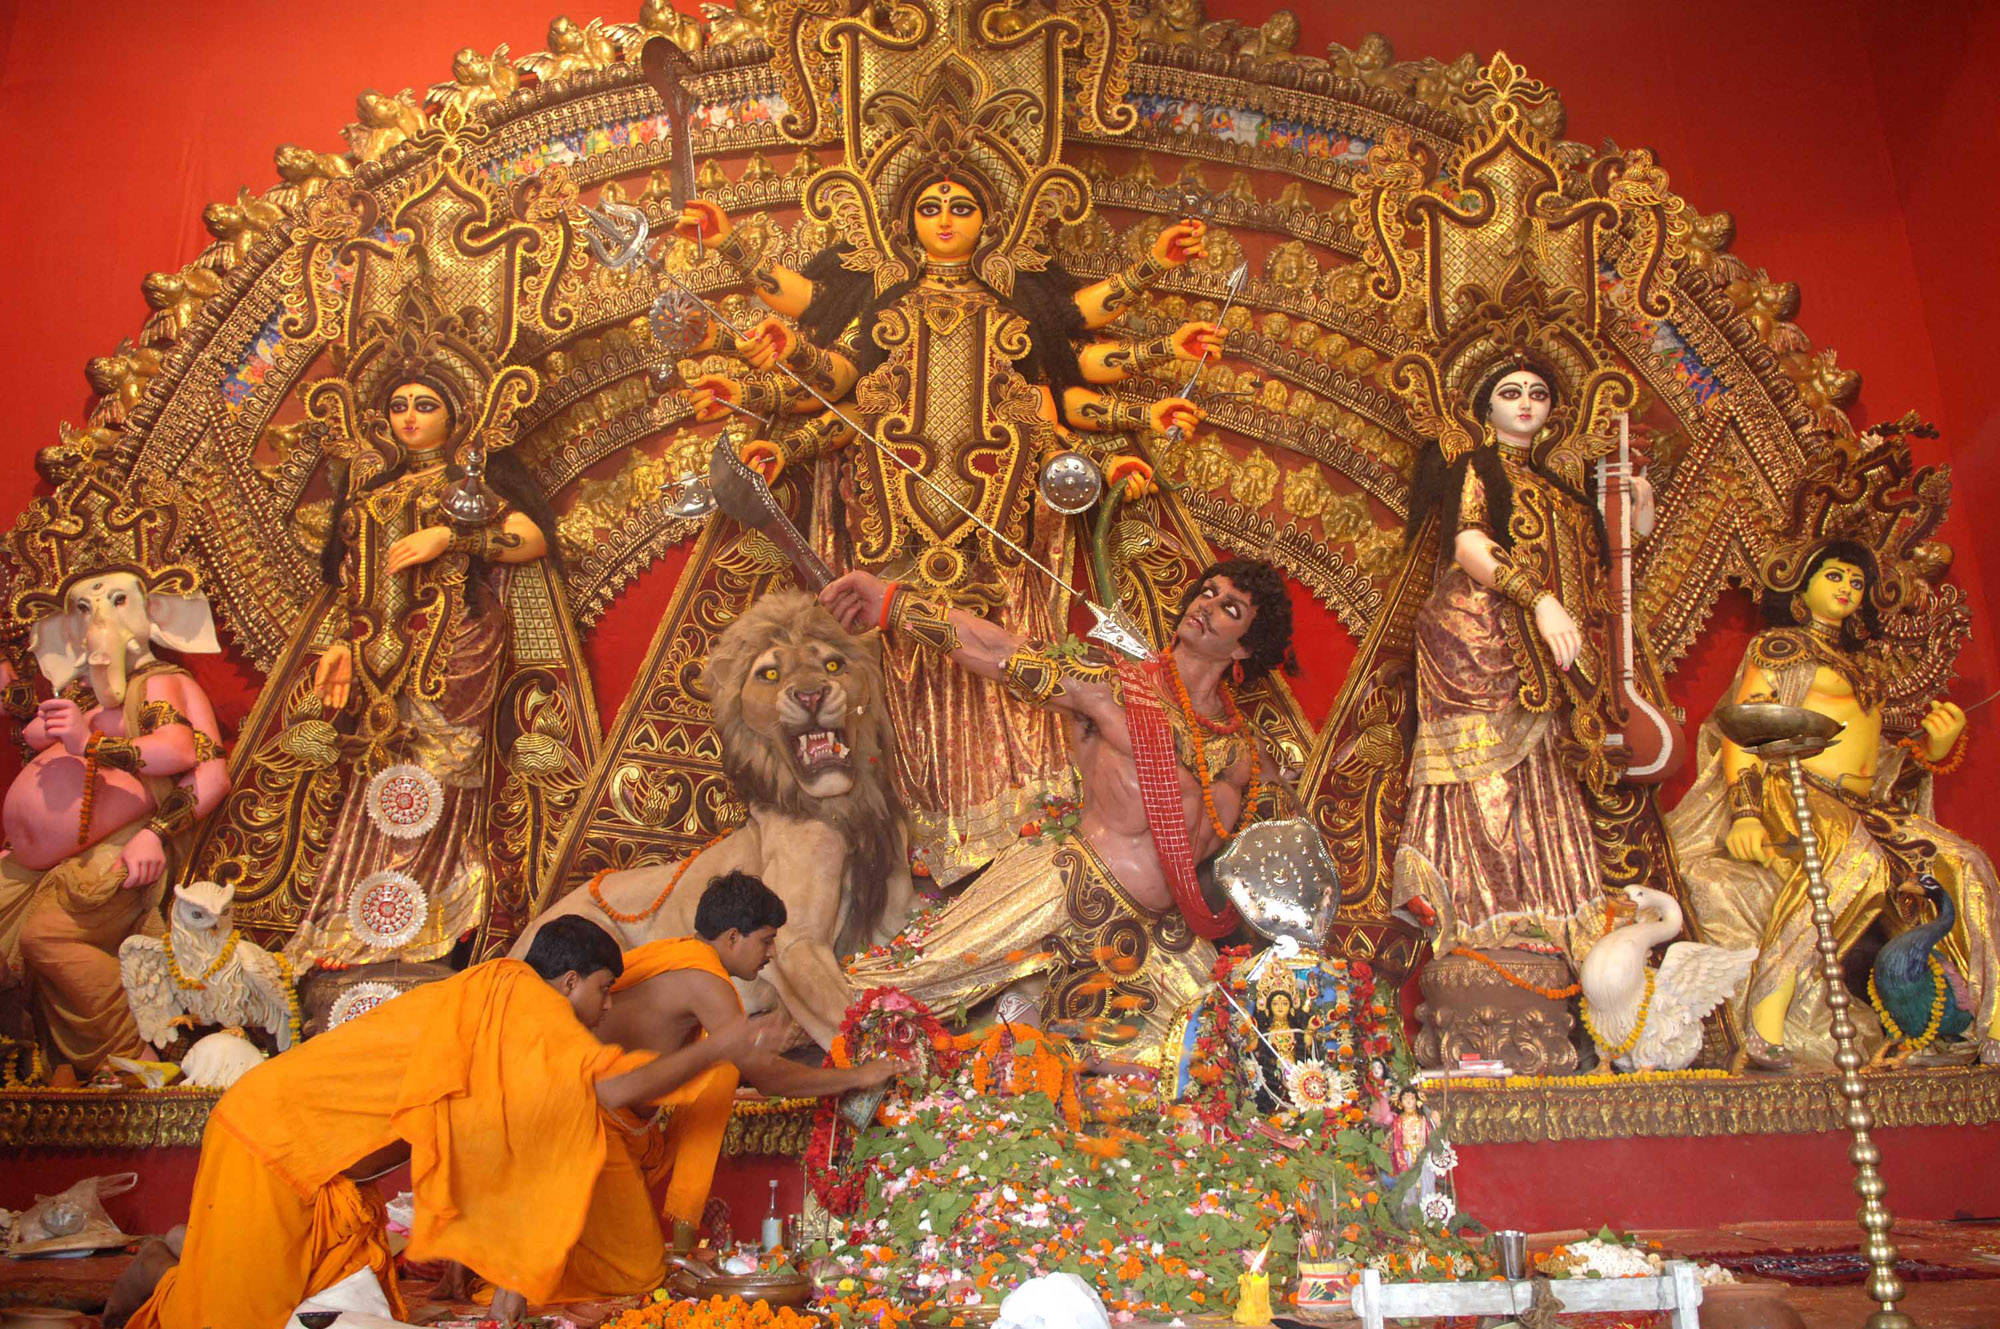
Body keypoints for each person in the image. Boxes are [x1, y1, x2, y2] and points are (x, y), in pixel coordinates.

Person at [675, 178, 1218, 881]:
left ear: (989, 223)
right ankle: (889, 861)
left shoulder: (1016, 310)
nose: (945, 220)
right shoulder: (881, 306)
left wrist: (1153, 319)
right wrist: (733, 257)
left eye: (962, 207)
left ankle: (1013, 859)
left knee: (1007, 683)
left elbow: (1070, 374)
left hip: (1000, 541)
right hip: (888, 536)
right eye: (929, 207)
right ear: (903, 225)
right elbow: (834, 382)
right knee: (882, 689)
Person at [110, 917, 782, 1329]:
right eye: (604, 990)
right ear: (570, 980)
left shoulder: (500, 1002)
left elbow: (507, 1142)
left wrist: (504, 1272)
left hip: (325, 1174)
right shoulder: (527, 1006)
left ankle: (186, 1250)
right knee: (242, 1324)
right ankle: (160, 1272)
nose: (607, 1009)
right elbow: (608, 1089)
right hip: (275, 1144)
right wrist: (721, 1048)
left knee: (343, 1314)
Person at [824, 557, 1297, 1061]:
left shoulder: (1249, 753)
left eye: (1230, 607)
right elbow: (1004, 652)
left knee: (1225, 1051)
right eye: (1207, 591)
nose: (1206, 604)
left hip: (1154, 933)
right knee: (892, 992)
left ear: (1246, 645)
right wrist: (895, 605)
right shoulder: (1114, 688)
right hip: (1067, 882)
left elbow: (1275, 863)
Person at [1669, 538, 2000, 1068]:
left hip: (1866, 806)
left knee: (1966, 864)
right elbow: (1746, 728)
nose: (1848, 587)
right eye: (1835, 576)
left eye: (1857, 581)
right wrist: (1747, 811)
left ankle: (1985, 1025)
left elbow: (1880, 761)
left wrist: (1933, 752)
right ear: (1802, 587)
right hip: (1798, 788)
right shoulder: (1780, 648)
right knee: (1854, 866)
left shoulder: (1865, 669)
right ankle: (1765, 1022)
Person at [1391, 356, 1664, 965]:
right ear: (1485, 407)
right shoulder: (1477, 469)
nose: (1525, 404)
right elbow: (1468, 542)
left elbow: (1609, 559)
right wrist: (1540, 601)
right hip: (1479, 634)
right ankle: (1482, 917)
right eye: (1510, 393)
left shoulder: (1558, 491)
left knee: (1542, 776)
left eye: (1538, 394)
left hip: (1550, 652)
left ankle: (1547, 908)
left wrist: (1638, 502)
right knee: (1487, 776)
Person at [592, 870, 909, 1243]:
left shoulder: (679, 956)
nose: (772, 953)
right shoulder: (704, 976)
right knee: (630, 1275)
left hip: (611, 1117)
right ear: (732, 938)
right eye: (767, 940)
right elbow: (768, 1077)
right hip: (596, 1121)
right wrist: (856, 1077)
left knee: (721, 1069)